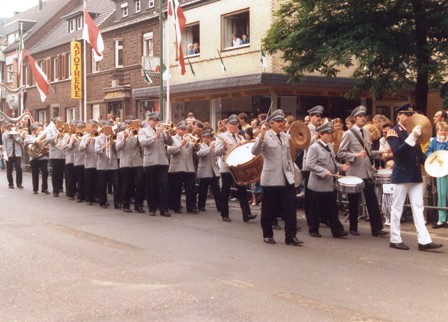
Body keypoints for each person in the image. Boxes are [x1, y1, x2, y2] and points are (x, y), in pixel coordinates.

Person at [386, 103, 443, 251]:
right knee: (397, 207)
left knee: (418, 207)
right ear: (399, 115)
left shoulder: (413, 131)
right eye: (406, 115)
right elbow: (398, 152)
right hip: (402, 174)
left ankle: (424, 241)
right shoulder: (394, 132)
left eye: (411, 115)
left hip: (414, 173)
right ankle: (395, 238)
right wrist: (412, 136)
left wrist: (434, 163)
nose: (409, 118)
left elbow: (418, 154)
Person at [251, 109, 303, 246]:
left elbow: (294, 150)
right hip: (271, 178)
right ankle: (267, 234)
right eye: (279, 121)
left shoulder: (286, 136)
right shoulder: (265, 136)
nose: (282, 124)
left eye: (283, 121)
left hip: (286, 177)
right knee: (269, 208)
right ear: (270, 123)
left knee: (290, 208)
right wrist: (261, 136)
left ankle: (290, 237)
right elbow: (254, 151)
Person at [337, 105, 387, 237]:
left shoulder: (366, 132)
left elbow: (369, 152)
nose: (363, 118)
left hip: (367, 171)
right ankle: (353, 227)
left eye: (364, 116)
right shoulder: (348, 133)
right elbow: (341, 153)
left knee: (372, 199)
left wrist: (379, 154)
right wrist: (355, 155)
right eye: (360, 116)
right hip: (354, 172)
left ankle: (376, 229)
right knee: (354, 201)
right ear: (355, 118)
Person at [306, 121, 349, 238]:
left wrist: (341, 167)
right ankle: (313, 229)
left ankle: (337, 231)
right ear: (321, 134)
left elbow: (333, 162)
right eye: (328, 133)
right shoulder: (314, 147)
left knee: (332, 207)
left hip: (329, 183)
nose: (330, 135)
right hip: (318, 183)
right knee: (316, 207)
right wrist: (323, 172)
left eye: (331, 133)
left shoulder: (329, 146)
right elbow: (309, 164)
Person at [215, 114, 257, 223]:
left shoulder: (240, 137)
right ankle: (224, 214)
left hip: (238, 168)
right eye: (232, 124)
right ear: (227, 125)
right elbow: (216, 152)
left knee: (242, 190)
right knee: (226, 190)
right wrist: (223, 147)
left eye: (236, 124)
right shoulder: (221, 136)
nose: (235, 126)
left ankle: (246, 214)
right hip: (227, 168)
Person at [139, 112, 173, 217]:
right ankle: (152, 209)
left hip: (162, 161)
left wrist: (167, 134)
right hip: (150, 162)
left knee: (163, 186)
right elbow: (143, 142)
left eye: (157, 120)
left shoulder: (161, 131)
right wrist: (155, 136)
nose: (155, 122)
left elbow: (170, 143)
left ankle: (164, 209)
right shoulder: (143, 131)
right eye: (153, 120)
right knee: (151, 186)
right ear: (149, 121)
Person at [167, 120, 200, 214]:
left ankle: (191, 206)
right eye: (181, 129)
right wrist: (181, 145)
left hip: (189, 166)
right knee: (176, 188)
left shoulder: (188, 138)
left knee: (191, 188)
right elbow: (170, 151)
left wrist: (196, 144)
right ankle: (176, 206)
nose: (184, 131)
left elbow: (195, 149)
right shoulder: (172, 139)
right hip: (177, 167)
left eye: (185, 129)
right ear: (177, 129)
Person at [115, 119, 145, 213]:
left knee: (140, 183)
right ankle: (126, 205)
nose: (130, 126)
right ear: (125, 124)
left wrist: (139, 135)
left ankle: (138, 205)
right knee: (126, 185)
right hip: (126, 162)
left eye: (131, 124)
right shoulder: (120, 134)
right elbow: (117, 147)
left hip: (137, 161)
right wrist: (124, 138)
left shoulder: (138, 133)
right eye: (128, 124)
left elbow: (142, 146)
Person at [301, 105, 324, 226]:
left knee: (319, 193)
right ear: (310, 117)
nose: (319, 118)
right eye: (316, 116)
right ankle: (310, 218)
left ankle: (319, 216)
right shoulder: (305, 129)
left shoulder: (321, 128)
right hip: (309, 165)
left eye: (320, 116)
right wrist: (316, 137)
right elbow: (303, 145)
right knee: (310, 194)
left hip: (320, 164)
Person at [425, 121, 448, 228]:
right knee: (441, 195)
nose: (443, 132)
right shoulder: (434, 141)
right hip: (440, 170)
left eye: (445, 130)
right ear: (437, 131)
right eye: (441, 130)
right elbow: (429, 152)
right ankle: (441, 219)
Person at [196, 129, 221, 212]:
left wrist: (222, 147)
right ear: (203, 137)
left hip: (213, 170)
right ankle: (201, 206)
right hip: (204, 170)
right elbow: (200, 154)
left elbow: (217, 153)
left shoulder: (212, 144)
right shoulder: (199, 144)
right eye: (207, 137)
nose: (209, 139)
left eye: (209, 137)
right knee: (203, 190)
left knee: (216, 190)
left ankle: (220, 207)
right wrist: (210, 148)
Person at [24, 123, 49, 194]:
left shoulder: (42, 136)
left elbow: (47, 142)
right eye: (34, 130)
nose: (36, 131)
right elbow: (26, 141)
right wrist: (35, 141)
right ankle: (35, 189)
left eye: (37, 129)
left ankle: (44, 188)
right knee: (35, 174)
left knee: (45, 172)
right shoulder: (29, 136)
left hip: (43, 157)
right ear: (32, 131)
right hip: (34, 157)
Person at [2, 125, 23, 189]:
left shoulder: (18, 133)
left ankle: (19, 183)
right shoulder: (5, 134)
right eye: (9, 126)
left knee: (19, 168)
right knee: (9, 169)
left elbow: (21, 142)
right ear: (7, 127)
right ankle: (10, 183)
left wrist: (16, 137)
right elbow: (4, 145)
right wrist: (4, 155)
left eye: (12, 126)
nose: (10, 127)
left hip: (17, 153)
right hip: (9, 154)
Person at [381, 160, 395, 226]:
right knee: (385, 206)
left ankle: (392, 219)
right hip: (385, 192)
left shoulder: (394, 174)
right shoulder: (384, 173)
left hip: (391, 192)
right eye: (387, 166)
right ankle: (387, 218)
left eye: (389, 167)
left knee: (391, 206)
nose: (387, 168)